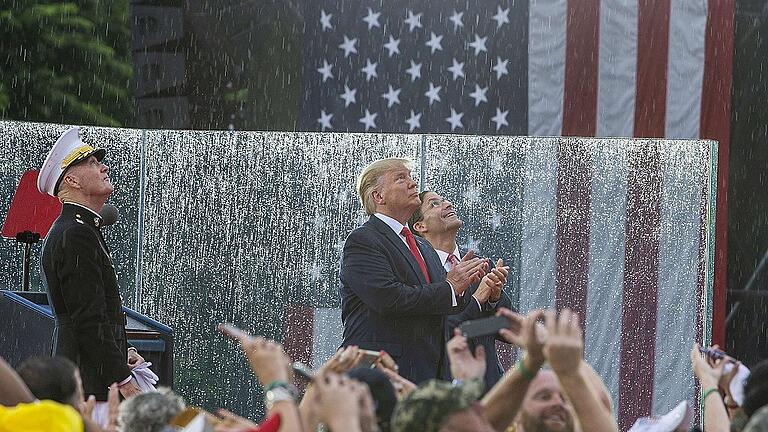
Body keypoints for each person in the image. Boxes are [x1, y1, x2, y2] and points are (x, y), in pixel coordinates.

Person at [340, 158, 487, 383]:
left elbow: (443, 302)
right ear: (378, 197)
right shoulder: (363, 239)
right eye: (401, 178)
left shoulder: (422, 245)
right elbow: (388, 298)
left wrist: (464, 288)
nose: (412, 183)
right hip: (382, 375)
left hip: (431, 374)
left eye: (410, 176)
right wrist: (450, 287)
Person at [38, 127, 143, 411]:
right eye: (92, 163)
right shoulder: (76, 233)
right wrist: (121, 378)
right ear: (71, 179)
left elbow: (96, 311)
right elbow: (88, 318)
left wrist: (126, 352)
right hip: (91, 388)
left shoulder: (81, 228)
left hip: (91, 380)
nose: (104, 166)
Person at [408, 190, 512, 390]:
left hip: (488, 390)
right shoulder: (417, 271)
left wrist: (494, 299)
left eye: (445, 199)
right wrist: (478, 300)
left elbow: (507, 329)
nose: (447, 204)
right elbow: (440, 330)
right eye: (434, 204)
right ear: (420, 226)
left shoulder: (481, 265)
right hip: (442, 392)